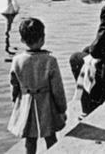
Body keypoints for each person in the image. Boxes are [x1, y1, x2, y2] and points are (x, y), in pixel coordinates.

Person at [8, 17, 67, 153]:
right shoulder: (50, 60)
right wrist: (62, 109)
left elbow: (14, 86)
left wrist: (16, 104)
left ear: (22, 40)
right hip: (47, 105)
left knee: (29, 140)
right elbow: (58, 89)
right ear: (43, 38)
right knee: (51, 137)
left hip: (26, 103)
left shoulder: (17, 60)